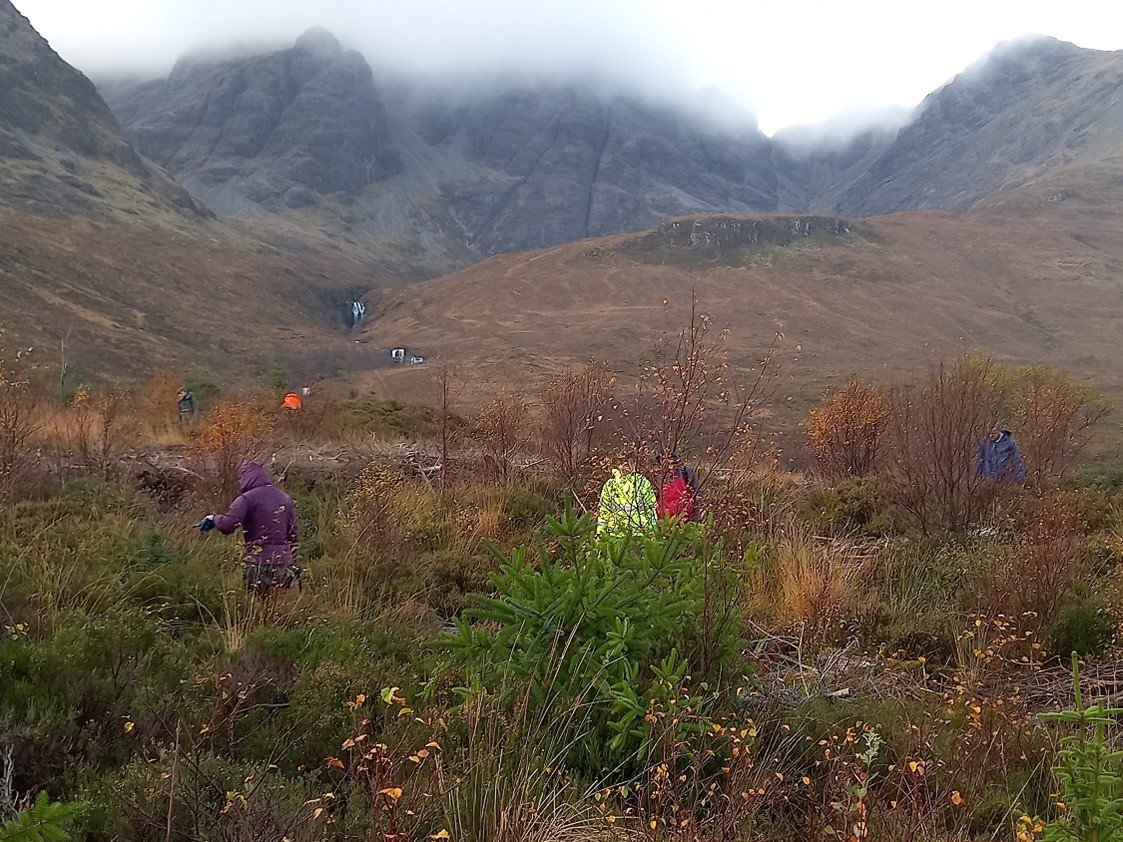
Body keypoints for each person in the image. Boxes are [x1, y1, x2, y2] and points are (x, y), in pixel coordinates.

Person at [197, 461, 301, 594]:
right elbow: (293, 534)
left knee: (256, 606)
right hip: (285, 563)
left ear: (246, 478)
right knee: (280, 608)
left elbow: (227, 526)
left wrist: (213, 518)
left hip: (258, 563)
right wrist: (293, 560)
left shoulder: (246, 499)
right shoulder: (286, 498)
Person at [596, 456, 657, 537]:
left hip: (639, 535)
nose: (624, 467)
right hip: (616, 536)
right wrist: (600, 536)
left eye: (627, 463)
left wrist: (653, 535)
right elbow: (604, 513)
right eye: (621, 463)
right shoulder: (610, 486)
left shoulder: (642, 482)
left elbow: (651, 510)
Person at [656, 451, 703, 523]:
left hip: (685, 519)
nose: (669, 466)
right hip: (664, 521)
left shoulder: (685, 472)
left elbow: (697, 492)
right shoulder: (658, 476)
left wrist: (696, 516)